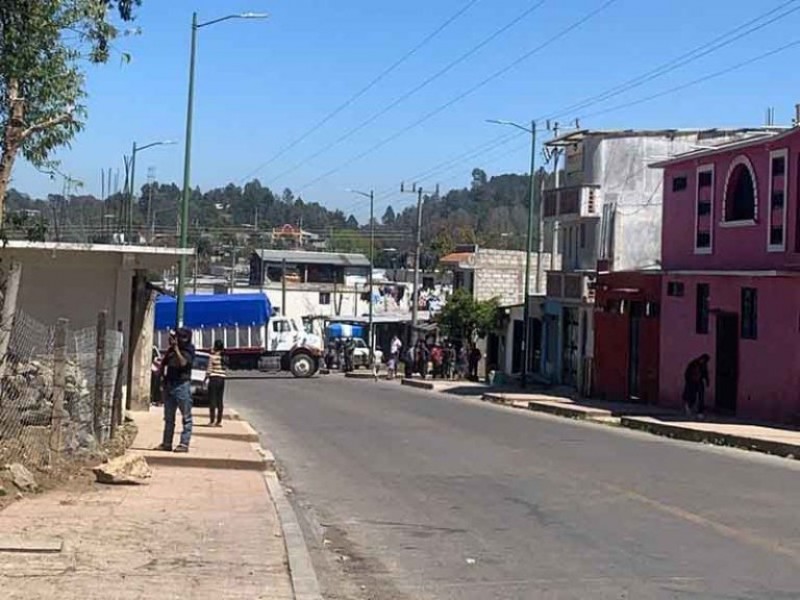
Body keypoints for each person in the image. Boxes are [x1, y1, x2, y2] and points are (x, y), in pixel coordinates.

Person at [156, 328, 195, 453]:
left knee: (186, 417)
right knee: (168, 418)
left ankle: (184, 444)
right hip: (169, 385)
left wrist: (177, 349)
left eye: (177, 337)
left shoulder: (188, 350)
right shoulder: (170, 351)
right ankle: (167, 443)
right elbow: (164, 365)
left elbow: (183, 363)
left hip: (182, 385)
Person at [207, 340, 226, 427]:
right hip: (222, 379)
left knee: (212, 400)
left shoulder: (212, 357)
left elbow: (209, 370)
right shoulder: (224, 357)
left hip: (214, 378)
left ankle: (212, 421)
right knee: (220, 400)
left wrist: (205, 378)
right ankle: (219, 421)